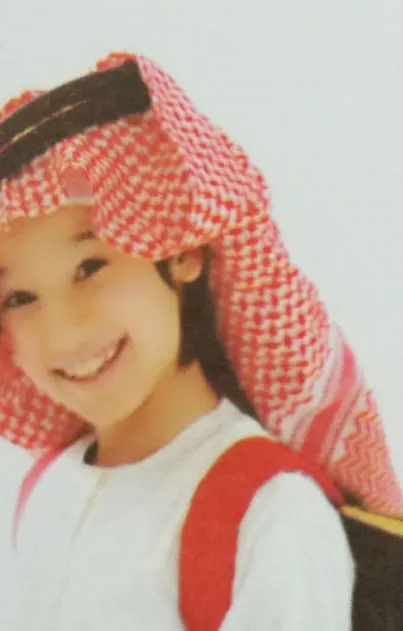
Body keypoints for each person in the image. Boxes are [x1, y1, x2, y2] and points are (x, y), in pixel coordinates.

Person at [0, 52, 398, 629]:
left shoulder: (268, 513)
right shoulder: (43, 489)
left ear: (181, 249)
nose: (63, 332)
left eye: (91, 267)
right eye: (18, 298)